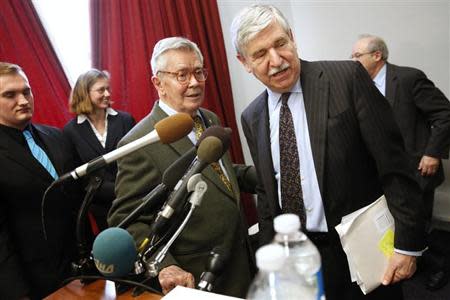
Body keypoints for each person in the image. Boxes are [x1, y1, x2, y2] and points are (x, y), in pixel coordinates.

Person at [231, 5, 426, 300]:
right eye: (260, 54)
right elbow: (268, 195)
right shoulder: (252, 116)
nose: (276, 60)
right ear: (244, 62)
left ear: (292, 37)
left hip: (362, 247)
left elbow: (395, 164)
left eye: (280, 44)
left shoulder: (346, 79)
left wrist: (407, 245)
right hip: (300, 258)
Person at [108, 37, 257, 297]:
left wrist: (269, 174)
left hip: (238, 260)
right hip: (196, 276)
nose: (195, 82)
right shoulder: (139, 143)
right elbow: (126, 220)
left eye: (198, 72)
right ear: (158, 83)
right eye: (182, 75)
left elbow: (218, 173)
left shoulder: (208, 118)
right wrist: (166, 266)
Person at [351, 34, 450, 290]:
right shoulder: (361, 86)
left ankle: (440, 266)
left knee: (419, 223)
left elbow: (444, 114)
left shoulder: (408, 78)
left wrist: (433, 152)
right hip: (384, 172)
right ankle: (411, 261)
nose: (351, 60)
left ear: (376, 55)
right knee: (399, 224)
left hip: (417, 169)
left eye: (356, 55)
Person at [0, 62, 81, 299]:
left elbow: (79, 199)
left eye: (26, 91)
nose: (23, 100)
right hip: (32, 283)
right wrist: (18, 293)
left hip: (81, 270)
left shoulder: (57, 136)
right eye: (10, 95)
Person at [63, 69, 135, 233]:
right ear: (84, 93)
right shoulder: (70, 131)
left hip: (134, 198)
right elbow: (79, 176)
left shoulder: (126, 120)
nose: (108, 94)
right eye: (101, 90)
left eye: (108, 88)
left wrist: (129, 188)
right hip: (102, 209)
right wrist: (115, 190)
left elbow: (139, 158)